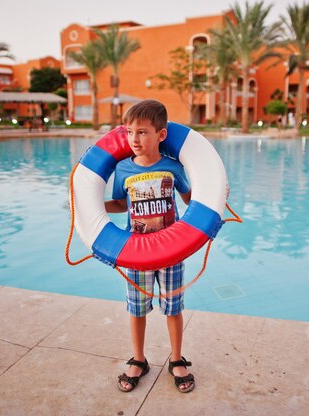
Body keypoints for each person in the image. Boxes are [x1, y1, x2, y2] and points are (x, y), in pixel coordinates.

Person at [104, 99, 195, 394]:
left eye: (142, 132)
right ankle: (139, 359)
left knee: (173, 308)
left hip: (171, 250)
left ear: (161, 135)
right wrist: (92, 204)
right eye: (130, 132)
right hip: (137, 252)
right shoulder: (123, 169)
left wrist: (216, 196)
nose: (134, 139)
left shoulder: (172, 167)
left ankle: (177, 359)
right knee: (137, 308)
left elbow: (188, 200)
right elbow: (120, 203)